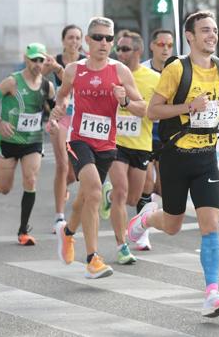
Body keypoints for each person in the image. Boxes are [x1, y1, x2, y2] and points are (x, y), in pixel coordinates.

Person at [127, 11, 219, 318]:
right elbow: (153, 111)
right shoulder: (177, 69)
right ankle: (145, 220)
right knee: (174, 225)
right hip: (175, 157)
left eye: (214, 30)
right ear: (189, 36)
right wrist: (189, 106)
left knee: (210, 226)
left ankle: (212, 293)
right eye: (205, 30)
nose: (212, 35)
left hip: (206, 158)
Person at [52, 16, 145, 279]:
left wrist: (125, 100)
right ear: (88, 41)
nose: (104, 43)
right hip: (79, 139)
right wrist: (57, 111)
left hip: (107, 144)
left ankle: (67, 233)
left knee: (86, 197)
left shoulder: (120, 71)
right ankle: (92, 258)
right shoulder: (74, 69)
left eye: (109, 38)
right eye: (99, 38)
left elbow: (143, 109)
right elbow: (62, 96)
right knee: (93, 190)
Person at [0, 43, 55, 246]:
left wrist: (53, 119)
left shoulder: (47, 86)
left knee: (30, 179)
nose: (37, 64)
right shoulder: (12, 82)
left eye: (41, 60)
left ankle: (23, 231)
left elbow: (55, 107)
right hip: (9, 140)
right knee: (5, 188)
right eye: (33, 60)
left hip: (33, 140)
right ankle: (1, 179)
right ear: (26, 59)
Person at [99, 30, 160, 264]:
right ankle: (121, 245)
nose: (120, 54)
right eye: (119, 49)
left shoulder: (153, 79)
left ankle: (109, 194)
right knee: (122, 191)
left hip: (141, 144)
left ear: (138, 51)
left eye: (125, 49)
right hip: (115, 142)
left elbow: (149, 111)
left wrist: (126, 102)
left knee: (133, 198)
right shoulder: (110, 73)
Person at [135, 28, 174, 250]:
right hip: (144, 132)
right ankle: (142, 232)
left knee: (162, 188)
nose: (166, 49)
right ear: (152, 46)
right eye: (161, 44)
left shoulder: (176, 69)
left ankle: (143, 215)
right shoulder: (143, 71)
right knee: (147, 183)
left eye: (169, 45)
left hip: (167, 134)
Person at [46, 25, 86, 232]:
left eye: (77, 38)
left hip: (82, 117)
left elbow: (79, 83)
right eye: (70, 37)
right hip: (61, 116)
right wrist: (47, 67)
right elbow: (42, 80)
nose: (74, 41)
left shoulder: (88, 61)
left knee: (76, 172)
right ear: (63, 41)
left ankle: (62, 189)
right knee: (62, 166)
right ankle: (59, 217)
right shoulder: (56, 60)